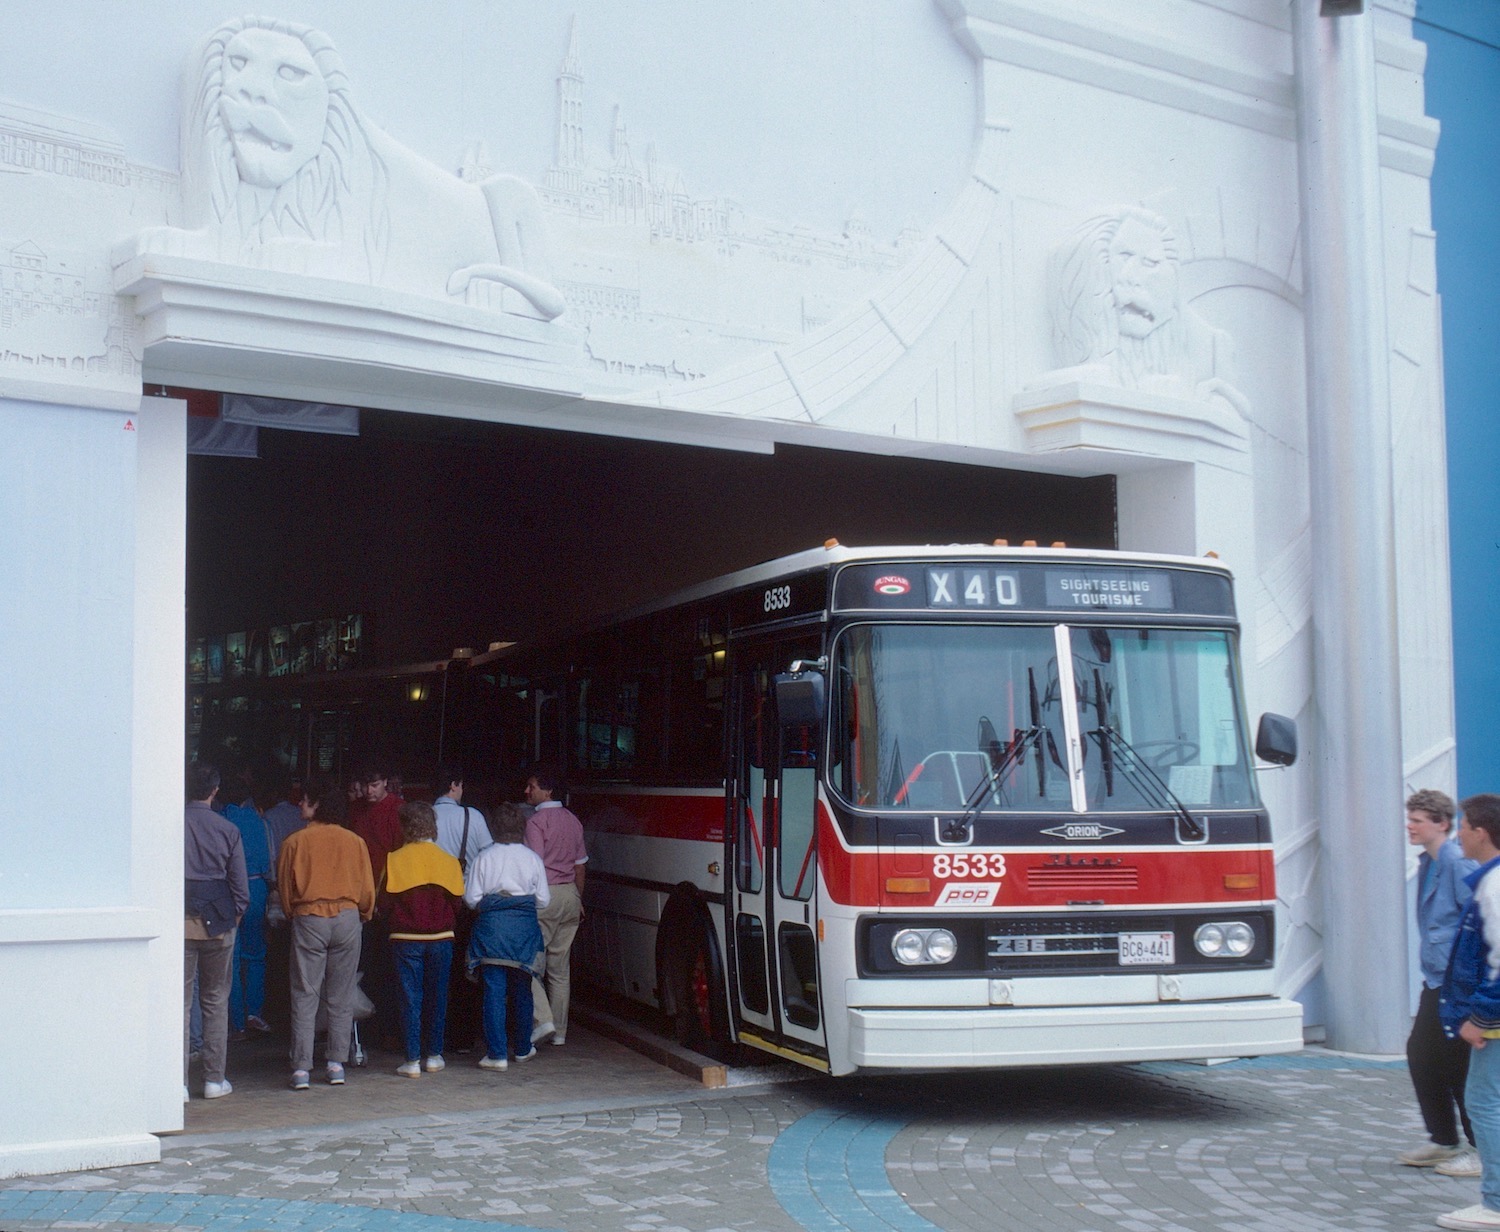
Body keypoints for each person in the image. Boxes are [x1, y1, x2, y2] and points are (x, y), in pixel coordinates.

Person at [277, 776, 375, 1091]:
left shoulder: (294, 842)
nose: (300, 805)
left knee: (305, 993)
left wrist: (296, 914)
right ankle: (336, 1064)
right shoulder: (355, 842)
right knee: (341, 994)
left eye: (305, 799)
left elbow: (285, 891)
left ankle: (302, 1068)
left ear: (316, 804)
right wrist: (362, 914)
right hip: (347, 918)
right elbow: (367, 891)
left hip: (309, 918)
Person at [1438, 795, 1500, 1231]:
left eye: (1462, 825)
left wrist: (1481, 1017)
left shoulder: (1493, 885)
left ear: (1481, 831)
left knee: (1485, 1102)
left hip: (1495, 1018)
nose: (1457, 832)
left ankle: (1495, 1204)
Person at [383, 801, 465, 1078]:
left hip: (405, 938)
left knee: (410, 998)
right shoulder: (449, 861)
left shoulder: (393, 860)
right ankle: (434, 1055)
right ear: (433, 826)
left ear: (405, 827)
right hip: (441, 937)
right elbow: (457, 904)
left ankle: (411, 1060)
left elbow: (383, 903)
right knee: (438, 996)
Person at [465, 803, 549, 1070]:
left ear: (494, 828)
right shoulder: (532, 858)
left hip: (491, 932)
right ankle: (523, 1049)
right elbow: (544, 900)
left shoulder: (484, 857)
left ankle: (497, 1054)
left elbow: (471, 899)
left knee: (493, 992)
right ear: (521, 828)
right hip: (523, 933)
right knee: (523, 990)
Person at [184, 762, 248, 1101]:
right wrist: (233, 917)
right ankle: (213, 1079)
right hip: (219, 923)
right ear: (214, 790)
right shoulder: (227, 829)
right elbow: (240, 888)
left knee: (180, 1003)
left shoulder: (172, 825)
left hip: (179, 921)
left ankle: (176, 1082)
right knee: (215, 1000)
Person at [524, 766, 587, 1046]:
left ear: (547, 791)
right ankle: (560, 1033)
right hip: (570, 895)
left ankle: (544, 1019)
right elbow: (580, 867)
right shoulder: (573, 820)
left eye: (532, 787)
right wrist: (578, 899)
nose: (527, 791)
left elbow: (535, 866)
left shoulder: (536, 822)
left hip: (544, 897)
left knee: (526, 964)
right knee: (560, 970)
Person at [222, 771, 276, 1037]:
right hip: (256, 887)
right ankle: (254, 1011)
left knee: (230, 957)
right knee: (255, 955)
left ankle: (236, 1022)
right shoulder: (260, 821)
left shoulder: (221, 819)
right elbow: (271, 864)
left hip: (227, 889)